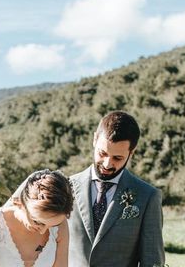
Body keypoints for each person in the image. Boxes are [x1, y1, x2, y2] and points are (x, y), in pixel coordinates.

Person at [68, 111, 165, 267]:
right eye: (102, 153)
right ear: (94, 140)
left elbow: (152, 261)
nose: (107, 164)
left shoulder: (148, 197)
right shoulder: (66, 187)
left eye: (117, 158)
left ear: (131, 152)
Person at [0, 169, 73, 267]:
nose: (43, 231)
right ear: (22, 203)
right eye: (38, 222)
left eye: (53, 225)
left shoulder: (60, 227)